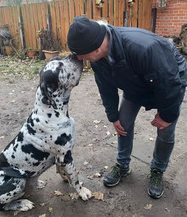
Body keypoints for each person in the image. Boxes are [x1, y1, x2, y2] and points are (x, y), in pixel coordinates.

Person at [67, 16, 187, 199]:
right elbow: (105, 87)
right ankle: (123, 165)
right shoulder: (98, 58)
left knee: (166, 131)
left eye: (81, 54)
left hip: (168, 80)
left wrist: (167, 115)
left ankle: (157, 170)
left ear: (97, 48)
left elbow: (170, 82)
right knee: (122, 123)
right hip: (136, 82)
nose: (80, 59)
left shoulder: (144, 47)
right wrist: (113, 116)